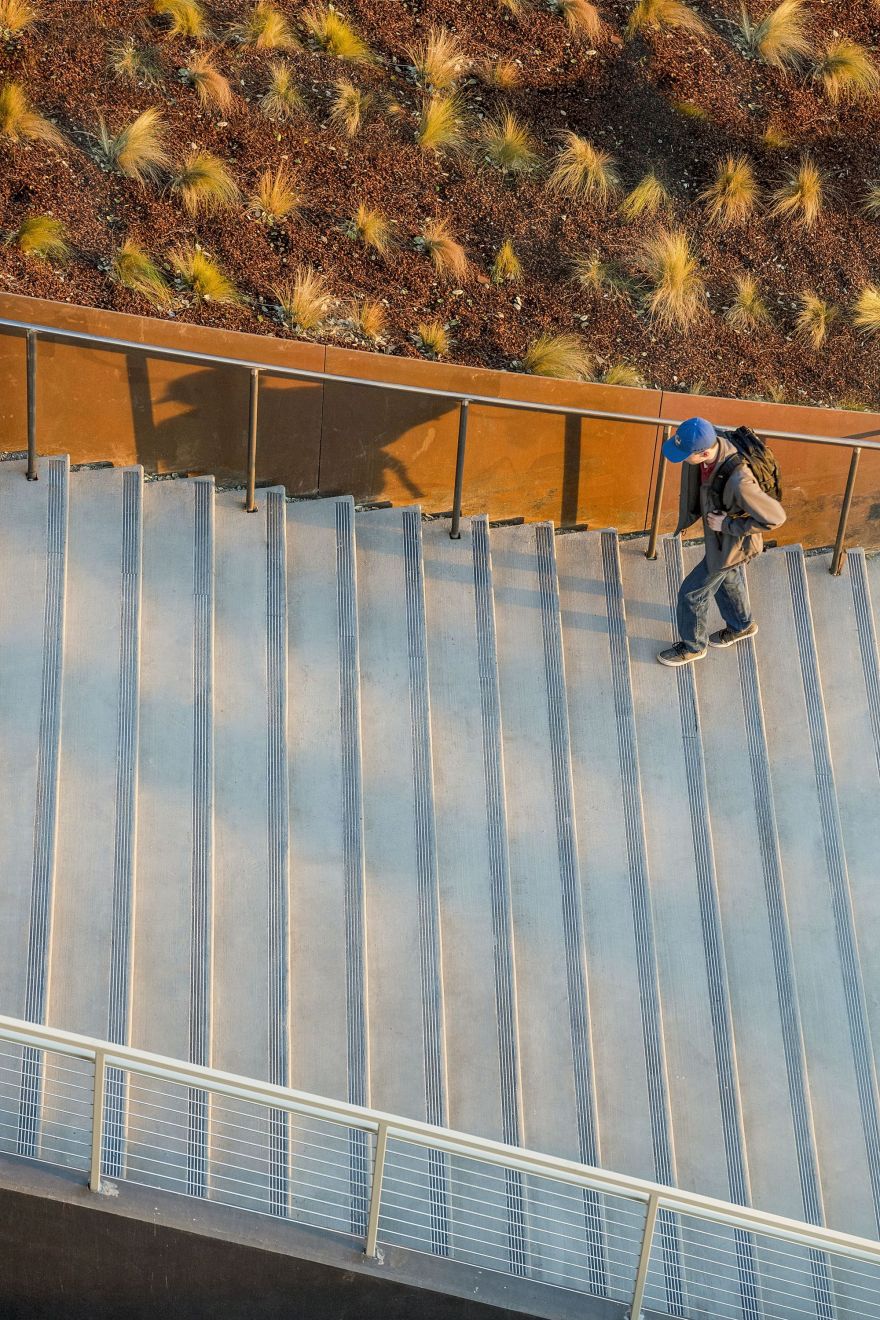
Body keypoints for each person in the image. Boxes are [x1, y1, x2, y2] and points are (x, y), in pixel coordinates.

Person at [656, 416, 786, 668]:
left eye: (685, 454)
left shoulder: (740, 481)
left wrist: (727, 525)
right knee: (728, 578)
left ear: (704, 452)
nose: (682, 458)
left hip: (731, 546)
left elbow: (776, 517)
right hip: (722, 541)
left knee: (691, 594)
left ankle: (693, 647)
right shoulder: (713, 440)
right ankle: (742, 625)